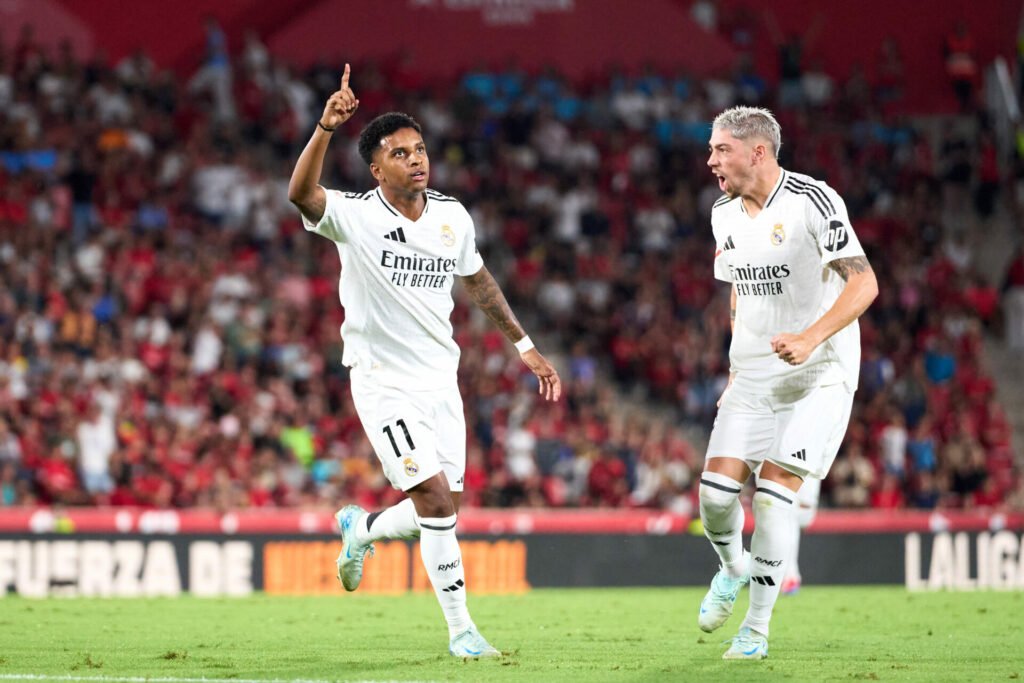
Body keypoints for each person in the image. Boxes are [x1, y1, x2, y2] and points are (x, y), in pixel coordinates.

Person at [288, 65, 561, 659]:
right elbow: (301, 195)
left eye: (420, 150)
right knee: (436, 501)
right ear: (376, 168)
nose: (417, 160)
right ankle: (462, 631)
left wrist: (524, 345)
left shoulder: (450, 217)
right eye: (400, 153)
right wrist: (325, 128)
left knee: (440, 509)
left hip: (441, 382)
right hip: (383, 382)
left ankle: (361, 530)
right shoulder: (355, 215)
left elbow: (480, 282)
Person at [698, 106, 877, 659]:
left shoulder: (813, 200)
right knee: (714, 497)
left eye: (720, 149)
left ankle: (755, 630)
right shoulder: (722, 213)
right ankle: (733, 567)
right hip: (752, 377)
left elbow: (865, 283)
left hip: (819, 374)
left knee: (775, 497)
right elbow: (736, 290)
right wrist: (734, 367)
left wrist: (811, 337)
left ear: (757, 151)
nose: (710, 161)